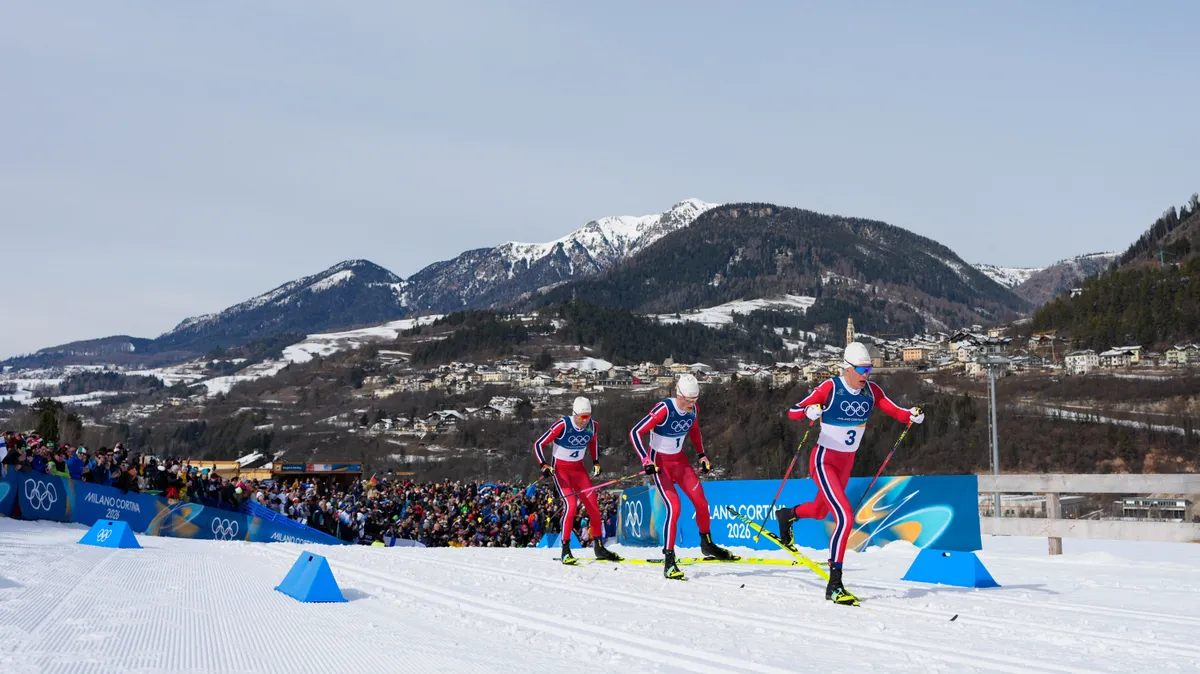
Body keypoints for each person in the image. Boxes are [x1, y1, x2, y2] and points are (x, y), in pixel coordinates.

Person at [776, 341, 924, 605]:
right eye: (861, 370)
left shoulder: (871, 392)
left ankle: (787, 514)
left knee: (821, 511)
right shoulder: (830, 387)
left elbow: (896, 412)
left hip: (846, 465)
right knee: (844, 516)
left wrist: (912, 415)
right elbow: (793, 411)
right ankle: (834, 584)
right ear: (847, 368)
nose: (866, 375)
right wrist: (809, 410)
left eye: (869, 369)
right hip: (824, 461)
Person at [630, 373, 733, 580]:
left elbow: (694, 431)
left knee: (701, 503)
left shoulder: (693, 409)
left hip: (680, 462)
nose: (691, 404)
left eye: (695, 400)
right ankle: (669, 560)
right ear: (679, 395)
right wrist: (645, 460)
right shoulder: (664, 409)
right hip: (660, 464)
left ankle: (707, 544)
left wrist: (702, 456)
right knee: (674, 507)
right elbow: (635, 432)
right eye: (688, 400)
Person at [534, 396, 622, 564]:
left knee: (594, 507)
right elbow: (538, 444)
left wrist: (596, 462)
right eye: (582, 417)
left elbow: (593, 443)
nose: (585, 421)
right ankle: (565, 549)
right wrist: (544, 465)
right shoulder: (563, 424)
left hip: (579, 470)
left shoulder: (592, 426)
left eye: (588, 416)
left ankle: (598, 547)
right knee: (571, 505)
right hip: (561, 470)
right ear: (574, 414)